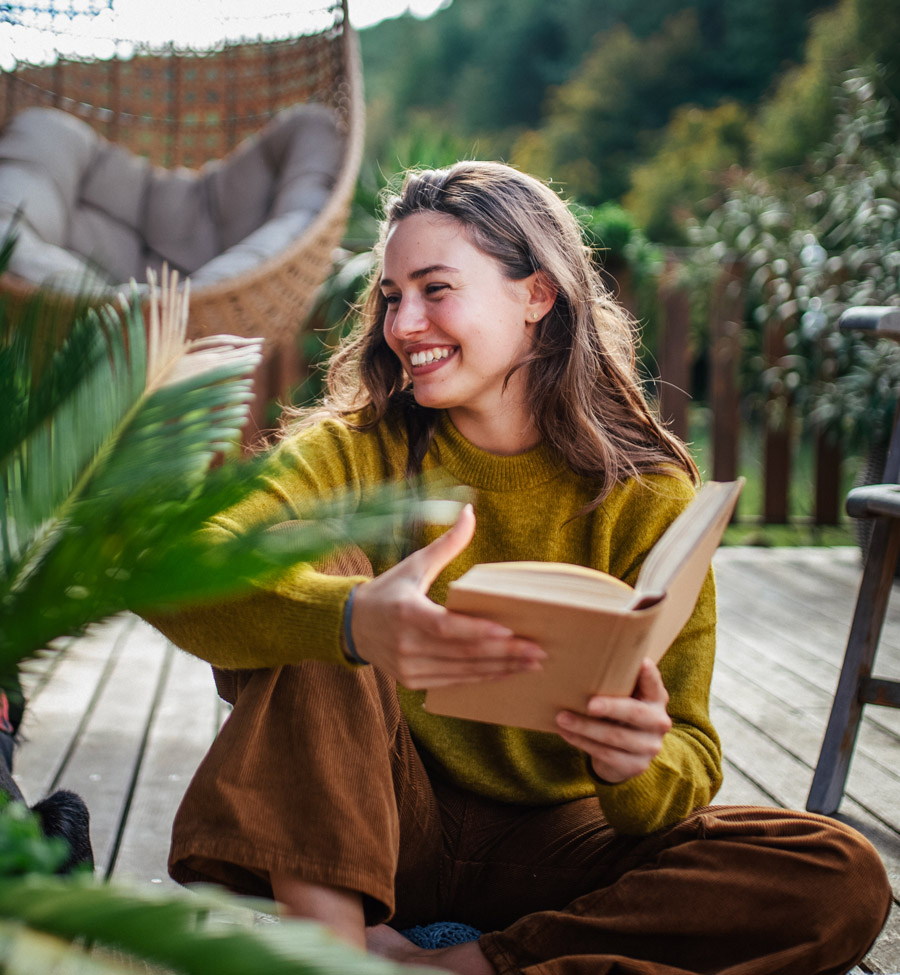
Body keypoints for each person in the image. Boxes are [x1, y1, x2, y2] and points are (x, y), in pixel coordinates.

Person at [150, 161, 890, 975]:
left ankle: (470, 964)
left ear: (537, 295)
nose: (403, 323)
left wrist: (636, 760)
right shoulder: (353, 450)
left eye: (436, 288)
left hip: (560, 846)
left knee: (838, 873)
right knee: (323, 562)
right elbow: (180, 567)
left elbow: (691, 751)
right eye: (393, 296)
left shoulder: (647, 491)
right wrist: (354, 617)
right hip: (375, 830)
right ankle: (337, 957)